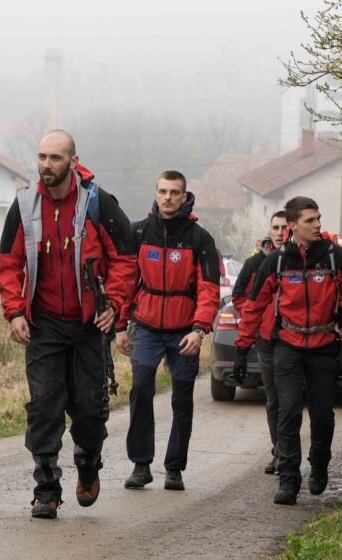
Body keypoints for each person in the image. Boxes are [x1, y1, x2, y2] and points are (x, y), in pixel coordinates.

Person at [0, 130, 136, 519]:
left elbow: (126, 259)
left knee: (89, 412)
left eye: (55, 158)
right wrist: (15, 311)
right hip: (43, 325)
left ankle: (88, 463)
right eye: (41, 157)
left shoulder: (98, 204)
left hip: (89, 326)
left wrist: (116, 304)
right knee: (44, 410)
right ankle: (46, 488)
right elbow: (8, 265)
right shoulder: (24, 206)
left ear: (74, 161)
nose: (46, 165)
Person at [234, 196, 342, 505]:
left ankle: (319, 466)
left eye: (319, 218)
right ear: (294, 226)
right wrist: (242, 349)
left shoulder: (335, 256)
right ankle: (289, 480)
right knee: (288, 411)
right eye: (310, 220)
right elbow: (253, 306)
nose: (318, 224)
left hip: (324, 348)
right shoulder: (278, 260)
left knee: (322, 416)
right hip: (288, 347)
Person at [117, 171, 221, 492]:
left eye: (174, 192)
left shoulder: (199, 238)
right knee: (141, 388)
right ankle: (141, 464)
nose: (167, 197)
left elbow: (209, 289)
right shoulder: (138, 232)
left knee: (182, 399)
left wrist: (200, 330)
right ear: (156, 192)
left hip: (184, 331)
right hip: (146, 327)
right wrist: (121, 326)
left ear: (184, 195)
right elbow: (124, 282)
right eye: (162, 191)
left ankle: (174, 469)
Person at [230, 210, 286, 476]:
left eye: (284, 227)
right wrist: (260, 315)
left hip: (295, 340)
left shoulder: (301, 261)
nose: (279, 232)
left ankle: (290, 453)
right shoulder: (255, 263)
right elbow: (239, 296)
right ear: (269, 230)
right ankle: (279, 452)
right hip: (266, 340)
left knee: (292, 400)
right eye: (275, 227)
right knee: (273, 399)